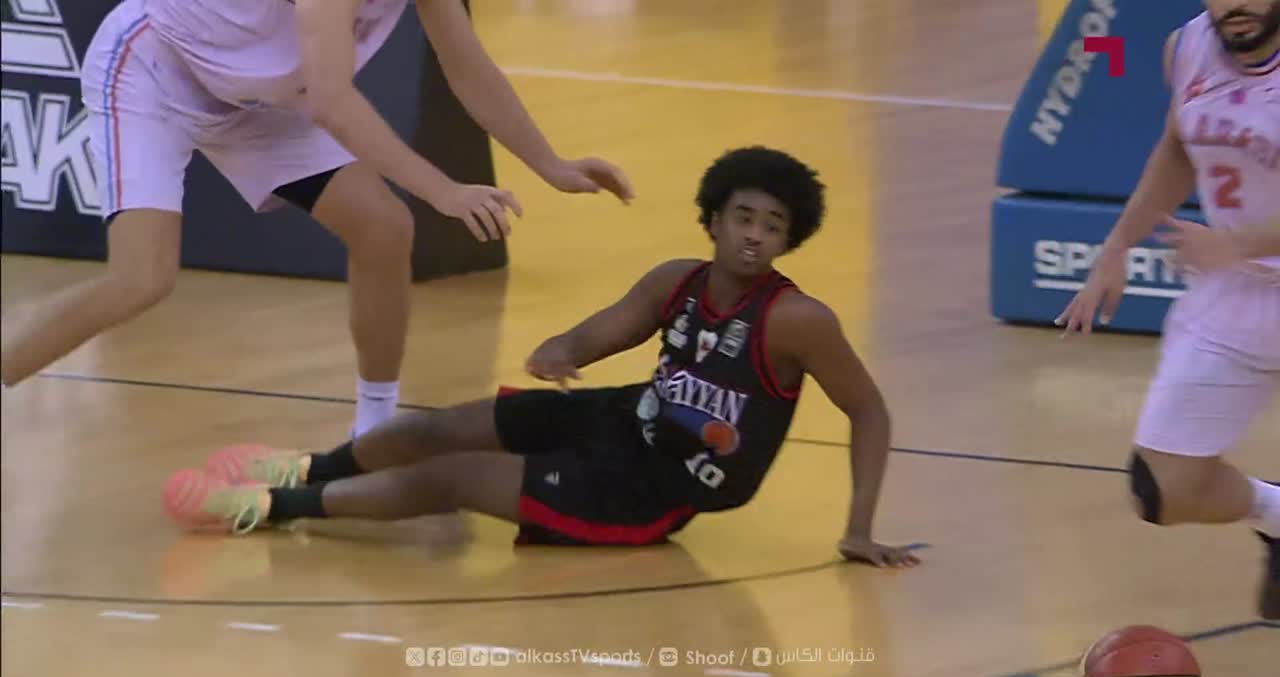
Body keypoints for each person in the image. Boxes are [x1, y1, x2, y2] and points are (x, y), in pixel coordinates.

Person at [161, 146, 921, 568]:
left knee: (453, 477)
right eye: (743, 217)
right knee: (440, 427)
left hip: (651, 488)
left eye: (773, 225)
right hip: (623, 419)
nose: (754, 234)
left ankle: (267, 510)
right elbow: (607, 331)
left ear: (790, 239)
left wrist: (858, 527)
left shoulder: (796, 320)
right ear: (714, 219)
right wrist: (562, 349)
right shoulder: (677, 281)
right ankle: (308, 467)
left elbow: (870, 410)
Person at [0, 0, 633, 437]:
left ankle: (373, 430)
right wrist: (441, 190)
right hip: (156, 71)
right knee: (141, 279)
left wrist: (549, 163)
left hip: (262, 104)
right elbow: (332, 101)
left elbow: (466, 64)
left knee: (384, 229)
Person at [1055, 0, 1279, 619]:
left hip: (1235, 255)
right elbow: (1178, 149)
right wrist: (1117, 246)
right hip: (1236, 289)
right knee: (1164, 491)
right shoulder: (1186, 47)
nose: (1235, 5)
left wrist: (1235, 242)